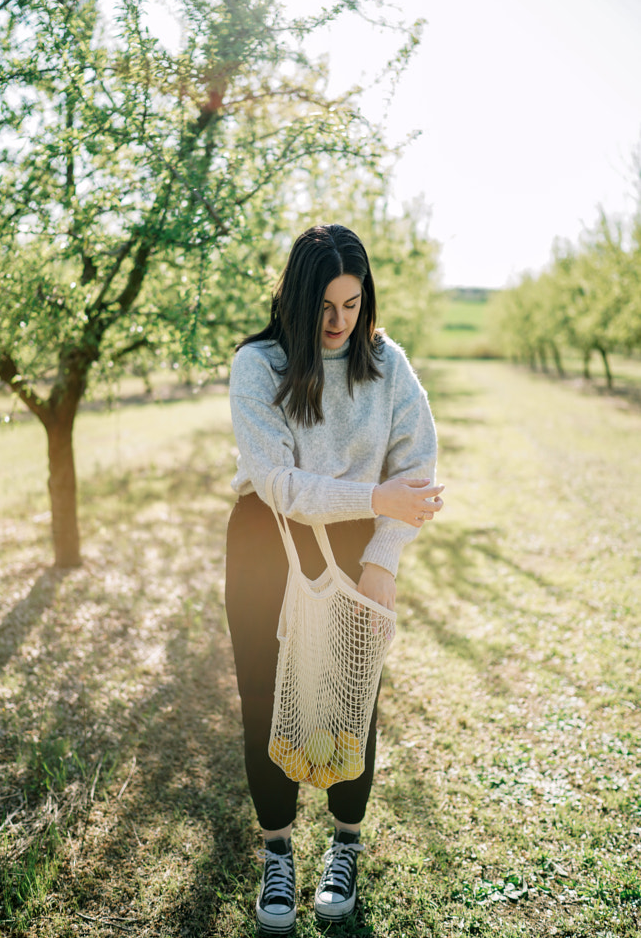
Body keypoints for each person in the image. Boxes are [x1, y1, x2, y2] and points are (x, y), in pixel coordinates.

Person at [225, 224, 443, 934]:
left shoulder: (386, 364)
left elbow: (416, 468)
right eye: (324, 306)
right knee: (265, 692)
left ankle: (344, 845)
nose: (338, 322)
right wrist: (376, 498)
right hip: (266, 534)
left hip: (356, 544)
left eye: (351, 305)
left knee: (351, 695)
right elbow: (281, 484)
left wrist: (382, 555)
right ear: (293, 298)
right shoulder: (257, 365)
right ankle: (278, 854)